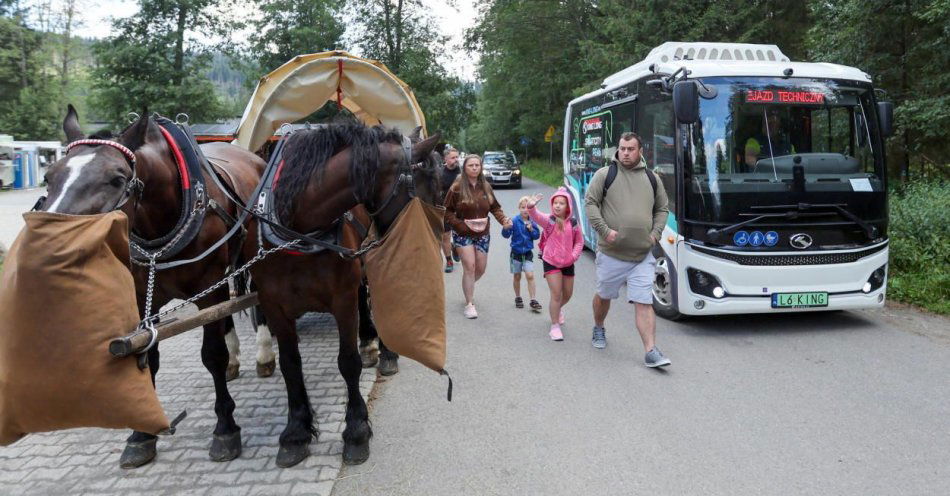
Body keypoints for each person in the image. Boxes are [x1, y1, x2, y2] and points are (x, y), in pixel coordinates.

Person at [585, 131, 671, 367]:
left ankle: (651, 350)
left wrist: (655, 234)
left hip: (642, 255)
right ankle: (599, 327)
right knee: (604, 296)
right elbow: (590, 202)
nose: (625, 153)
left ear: (640, 151)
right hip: (612, 254)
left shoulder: (652, 179)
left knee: (643, 302)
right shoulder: (606, 174)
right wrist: (604, 230)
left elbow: (662, 209)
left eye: (630, 149)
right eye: (622, 148)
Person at [444, 154, 512, 319]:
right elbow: (447, 211)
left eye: (477, 165)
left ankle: (468, 286)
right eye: (471, 165)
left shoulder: (486, 186)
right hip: (462, 233)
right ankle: (469, 303)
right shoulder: (457, 187)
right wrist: (459, 225)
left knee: (480, 269)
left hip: (482, 234)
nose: (474, 168)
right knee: (470, 267)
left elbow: (495, 207)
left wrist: (504, 220)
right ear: (465, 168)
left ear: (480, 168)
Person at [526, 188, 583, 341]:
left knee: (568, 294)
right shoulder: (549, 220)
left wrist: (573, 256)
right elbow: (535, 216)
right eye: (555, 203)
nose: (557, 206)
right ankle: (554, 326)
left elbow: (579, 242)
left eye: (561, 203)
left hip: (568, 262)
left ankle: (557, 310)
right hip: (551, 261)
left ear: (568, 206)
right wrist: (531, 207)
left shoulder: (573, 223)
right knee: (556, 294)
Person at [501, 196, 542, 313]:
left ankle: (533, 299)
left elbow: (536, 236)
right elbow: (506, 235)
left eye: (528, 208)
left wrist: (531, 230)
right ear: (519, 208)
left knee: (530, 275)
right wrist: (505, 228)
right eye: (523, 207)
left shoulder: (532, 221)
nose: (525, 210)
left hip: (528, 253)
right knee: (517, 276)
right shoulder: (514, 221)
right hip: (515, 254)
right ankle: (518, 297)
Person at [440, 147, 462, 272]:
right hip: (445, 209)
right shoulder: (440, 173)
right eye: (453, 158)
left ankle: (455, 248)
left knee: (461, 235)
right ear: (446, 159)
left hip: (461, 209)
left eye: (457, 157)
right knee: (445, 236)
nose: (456, 160)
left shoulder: (463, 172)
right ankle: (449, 261)